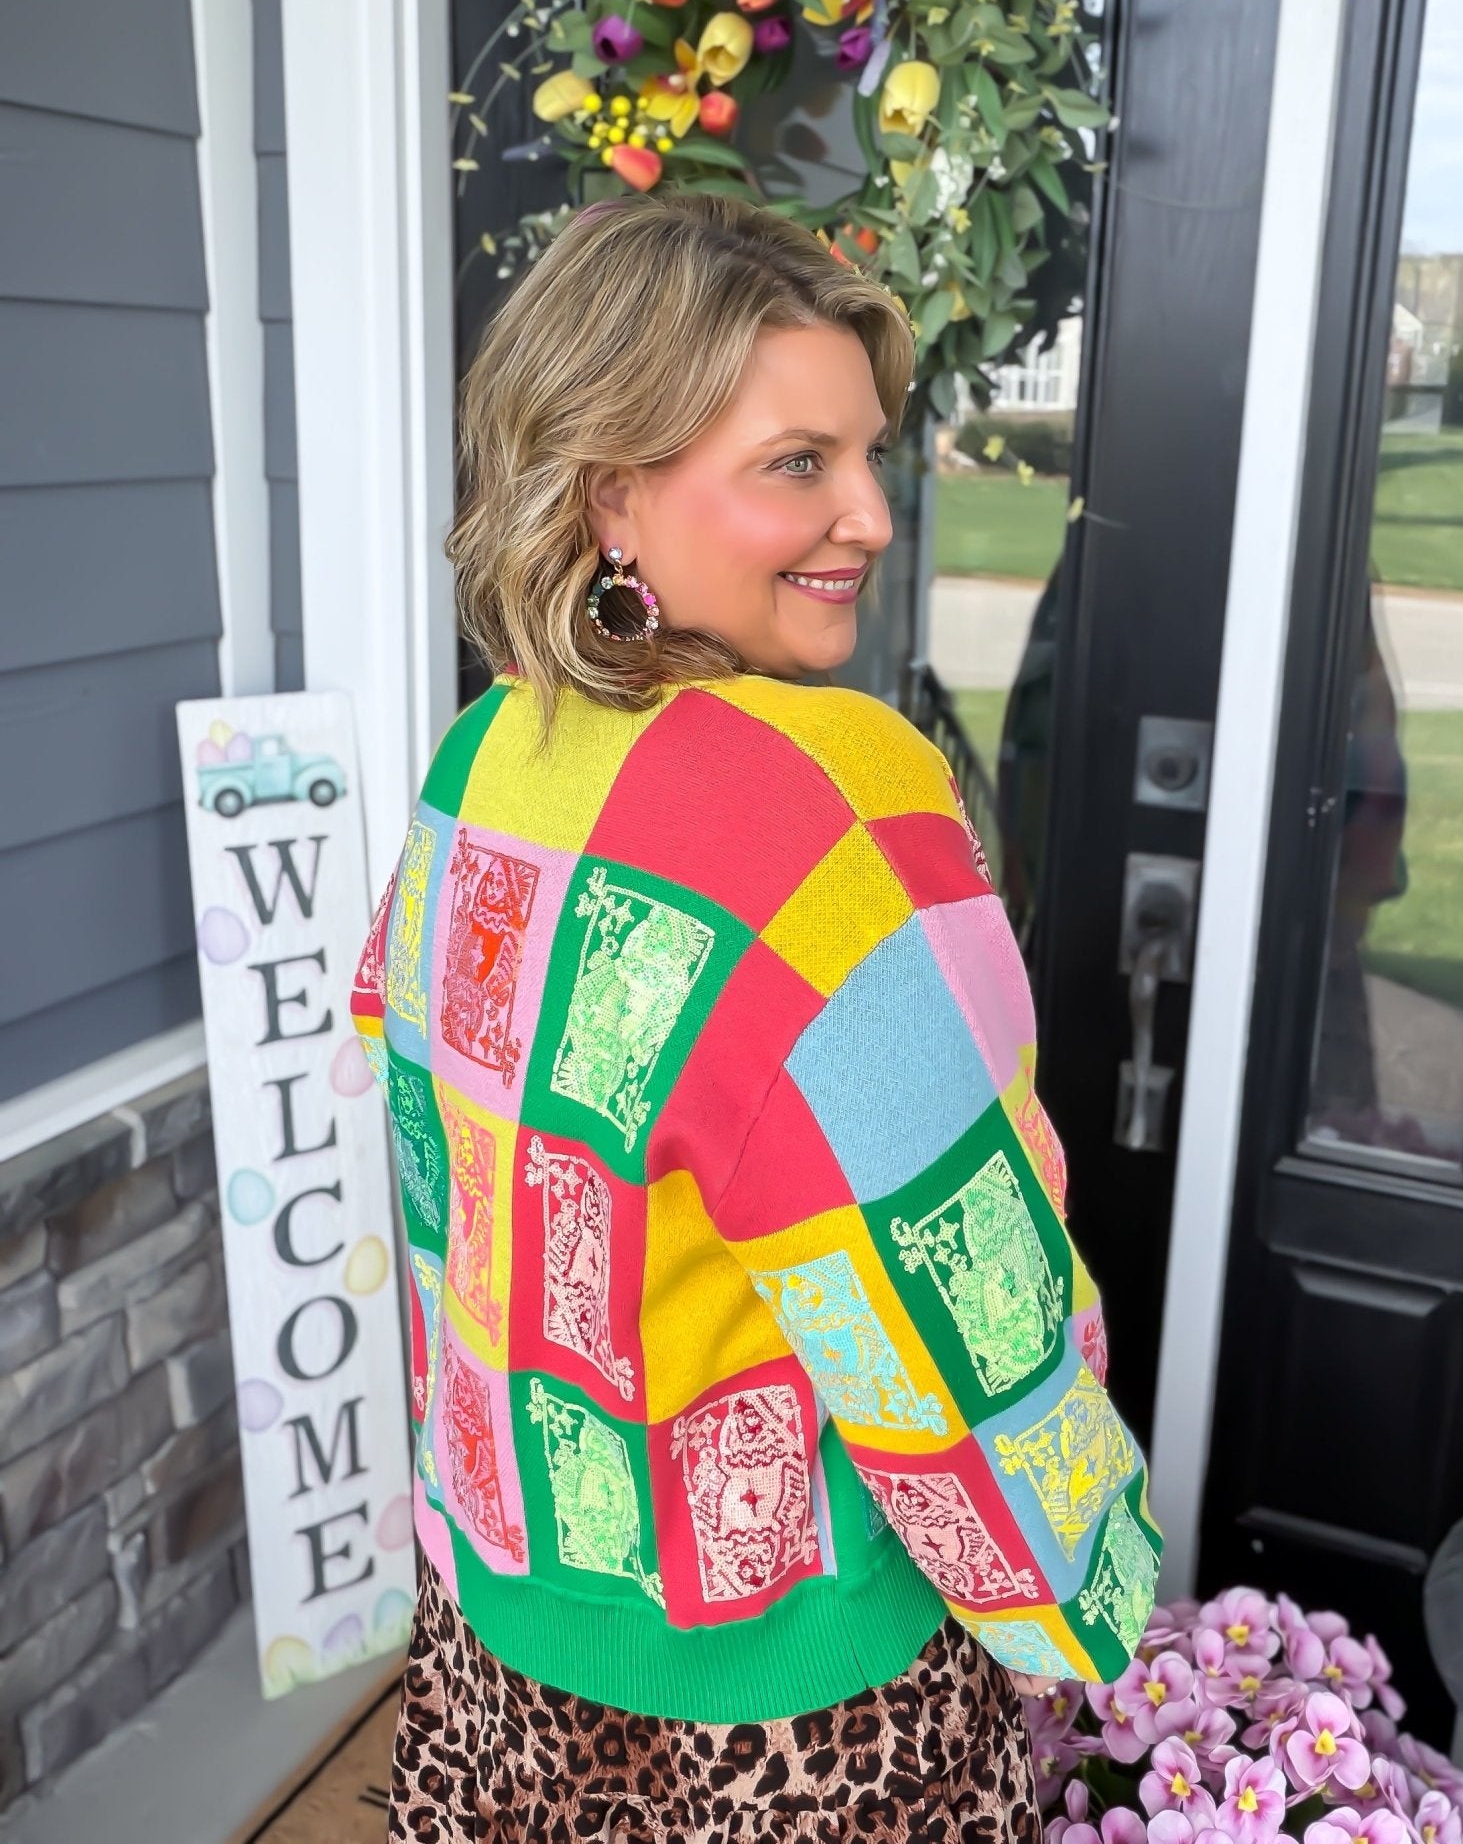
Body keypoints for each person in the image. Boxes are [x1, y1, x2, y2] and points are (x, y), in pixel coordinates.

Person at [350, 191, 1160, 1844]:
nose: (871, 515)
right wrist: (1084, 1591)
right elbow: (946, 1270)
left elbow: (452, 1180)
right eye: (799, 463)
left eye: (869, 455)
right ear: (611, 490)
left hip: (501, 1629)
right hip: (786, 1707)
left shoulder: (482, 756)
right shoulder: (824, 803)